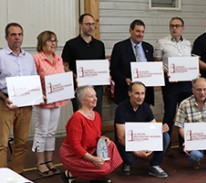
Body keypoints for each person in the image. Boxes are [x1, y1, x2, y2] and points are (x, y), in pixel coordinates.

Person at [59, 86, 122, 183]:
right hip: (73, 154)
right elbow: (75, 146)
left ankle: (94, 176)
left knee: (111, 145)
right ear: (82, 100)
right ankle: (70, 174)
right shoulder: (77, 118)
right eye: (91, 96)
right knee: (104, 168)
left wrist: (103, 138)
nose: (95, 98)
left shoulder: (96, 115)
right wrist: (93, 159)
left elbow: (96, 135)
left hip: (90, 149)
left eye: (95, 96)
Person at [0, 23, 37, 173]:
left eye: (20, 34)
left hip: (26, 104)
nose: (17, 37)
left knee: (21, 143)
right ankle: (2, 176)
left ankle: (17, 174)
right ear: (6, 37)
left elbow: (34, 79)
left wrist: (37, 96)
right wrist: (3, 98)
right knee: (2, 143)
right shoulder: (1, 56)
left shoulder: (28, 57)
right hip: (5, 103)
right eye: (13, 34)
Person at [114, 82, 170, 178]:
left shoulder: (145, 107)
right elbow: (120, 137)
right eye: (137, 93)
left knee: (165, 137)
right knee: (130, 159)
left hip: (142, 139)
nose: (140, 97)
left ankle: (154, 165)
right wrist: (136, 151)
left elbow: (154, 127)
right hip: (127, 142)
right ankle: (126, 163)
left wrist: (162, 129)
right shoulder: (121, 108)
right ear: (129, 93)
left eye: (142, 93)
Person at [32, 31, 68, 177]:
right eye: (49, 41)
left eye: (55, 40)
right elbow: (32, 80)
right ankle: (40, 163)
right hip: (42, 102)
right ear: (42, 42)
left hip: (57, 100)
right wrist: (41, 94)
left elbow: (62, 78)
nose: (53, 43)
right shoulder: (36, 59)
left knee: (52, 131)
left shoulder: (58, 58)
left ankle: (49, 161)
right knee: (42, 131)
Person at [154, 17, 192, 150]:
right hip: (170, 83)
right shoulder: (161, 42)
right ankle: (166, 144)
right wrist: (168, 71)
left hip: (186, 84)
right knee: (169, 114)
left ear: (183, 28)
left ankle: (184, 143)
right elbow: (157, 62)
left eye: (177, 26)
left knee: (186, 114)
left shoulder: (188, 43)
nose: (174, 28)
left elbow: (191, 64)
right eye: (172, 26)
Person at [62, 13, 105, 116]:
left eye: (92, 24)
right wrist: (76, 76)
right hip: (79, 87)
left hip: (96, 87)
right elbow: (63, 65)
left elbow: (102, 65)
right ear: (81, 25)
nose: (90, 27)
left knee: (96, 115)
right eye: (87, 24)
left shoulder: (100, 45)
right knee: (80, 116)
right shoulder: (71, 44)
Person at [110, 19, 155, 106]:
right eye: (138, 31)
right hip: (126, 92)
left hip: (144, 94)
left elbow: (152, 68)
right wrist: (125, 79)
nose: (140, 34)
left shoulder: (149, 47)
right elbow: (113, 69)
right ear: (130, 31)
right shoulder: (119, 47)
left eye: (142, 32)